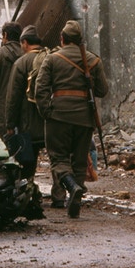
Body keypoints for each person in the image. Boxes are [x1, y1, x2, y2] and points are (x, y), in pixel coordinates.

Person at [35, 19, 108, 218]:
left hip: (58, 116)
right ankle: (75, 198)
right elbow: (102, 90)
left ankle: (71, 185)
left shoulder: (52, 59)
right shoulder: (93, 60)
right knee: (79, 162)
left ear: (62, 38)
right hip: (84, 118)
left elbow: (40, 88)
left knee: (58, 157)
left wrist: (46, 111)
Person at [4, 25, 66, 206]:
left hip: (28, 124)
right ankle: (59, 196)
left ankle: (28, 193)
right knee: (57, 159)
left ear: (24, 43)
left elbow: (13, 97)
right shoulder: (53, 58)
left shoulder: (21, 63)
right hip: (52, 120)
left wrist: (10, 123)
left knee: (27, 162)